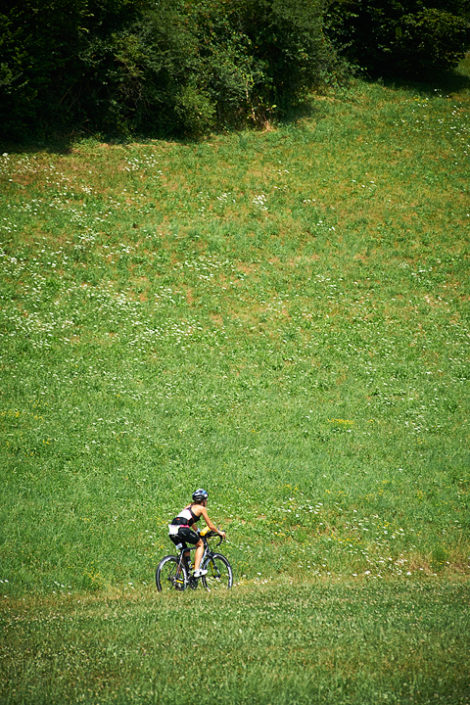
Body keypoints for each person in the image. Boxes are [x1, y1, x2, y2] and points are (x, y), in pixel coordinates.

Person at [168, 488, 226, 577]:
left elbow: (189, 521)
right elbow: (210, 525)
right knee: (200, 544)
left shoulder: (189, 506)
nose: (206, 502)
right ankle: (197, 571)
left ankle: (177, 578)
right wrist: (220, 532)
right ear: (203, 500)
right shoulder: (202, 508)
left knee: (185, 553)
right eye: (206, 500)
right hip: (182, 529)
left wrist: (197, 531)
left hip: (172, 529)